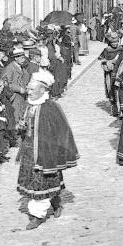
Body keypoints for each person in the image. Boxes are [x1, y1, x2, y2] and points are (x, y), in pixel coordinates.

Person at [16, 70, 79, 230]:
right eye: (28, 88)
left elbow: (62, 131)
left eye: (32, 89)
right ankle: (56, 202)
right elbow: (27, 125)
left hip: (45, 153)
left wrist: (54, 150)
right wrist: (21, 127)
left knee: (41, 183)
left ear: (43, 90)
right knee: (35, 182)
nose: (28, 91)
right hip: (29, 151)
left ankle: (37, 215)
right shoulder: (30, 105)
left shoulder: (51, 107)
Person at [99, 32, 123, 117]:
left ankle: (122, 109)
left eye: (116, 42)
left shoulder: (122, 49)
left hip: (120, 72)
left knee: (120, 90)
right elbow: (101, 59)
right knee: (111, 89)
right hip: (110, 74)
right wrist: (108, 62)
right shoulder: (107, 50)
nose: (115, 44)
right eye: (113, 42)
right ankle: (114, 109)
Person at [2, 48, 29, 125]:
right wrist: (20, 89)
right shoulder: (10, 68)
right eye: (21, 58)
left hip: (22, 95)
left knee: (23, 114)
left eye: (24, 57)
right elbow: (8, 83)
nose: (23, 59)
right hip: (14, 96)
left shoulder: (21, 66)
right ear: (15, 58)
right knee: (16, 115)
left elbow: (25, 77)